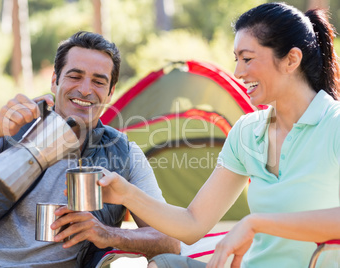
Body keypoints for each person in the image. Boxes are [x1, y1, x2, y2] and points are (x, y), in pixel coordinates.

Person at [99, 3, 340, 268]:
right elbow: (193, 223)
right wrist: (126, 194)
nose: (238, 72)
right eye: (236, 60)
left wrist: (254, 223)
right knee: (163, 264)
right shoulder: (247, 132)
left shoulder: (334, 124)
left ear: (291, 60)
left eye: (247, 59)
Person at [0, 31, 180, 267]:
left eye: (98, 81)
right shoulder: (20, 127)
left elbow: (170, 241)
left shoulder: (123, 154)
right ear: (55, 80)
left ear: (110, 91)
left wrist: (108, 234)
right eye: (75, 76)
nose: (85, 90)